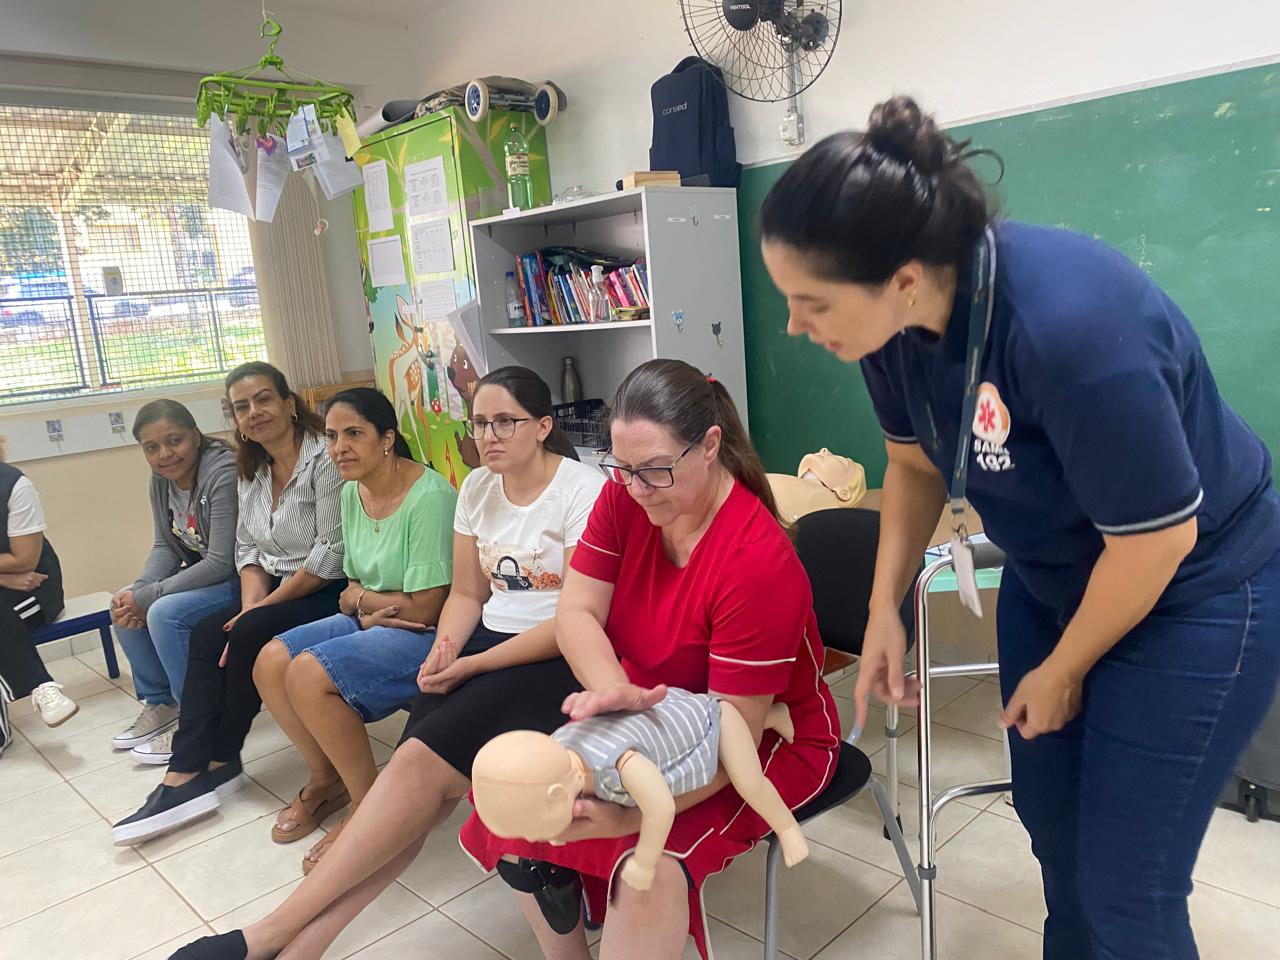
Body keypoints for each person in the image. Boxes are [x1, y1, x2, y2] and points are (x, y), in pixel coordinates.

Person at [758, 95, 1280, 960]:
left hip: (1197, 592)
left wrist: (1067, 667)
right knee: (1055, 834)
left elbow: (1156, 543)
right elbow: (916, 466)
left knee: (1128, 886)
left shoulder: (1072, 328)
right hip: (1057, 578)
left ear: (902, 277)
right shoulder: (890, 332)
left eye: (810, 302)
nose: (794, 325)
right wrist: (886, 608)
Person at [167, 365, 603, 960]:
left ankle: (268, 937)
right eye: (480, 422)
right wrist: (449, 648)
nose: (491, 435)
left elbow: (574, 619)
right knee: (410, 790)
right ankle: (296, 944)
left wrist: (472, 664)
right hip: (482, 648)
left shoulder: (583, 490)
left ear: (544, 425)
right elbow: (471, 597)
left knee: (416, 777)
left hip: (555, 659)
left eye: (507, 421)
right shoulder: (478, 487)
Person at [460, 359, 841, 960]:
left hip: (763, 735)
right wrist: (617, 696)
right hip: (654, 711)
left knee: (648, 865)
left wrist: (628, 815)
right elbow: (576, 613)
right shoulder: (625, 496)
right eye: (623, 469)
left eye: (656, 470)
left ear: (710, 446)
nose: (636, 488)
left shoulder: (755, 562)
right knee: (516, 812)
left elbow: (731, 738)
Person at [113, 361, 346, 845]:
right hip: (276, 584)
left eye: (263, 399)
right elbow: (247, 550)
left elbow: (331, 550)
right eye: (242, 407)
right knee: (207, 632)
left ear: (288, 402)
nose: (254, 413)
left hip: (327, 586)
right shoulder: (252, 466)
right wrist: (250, 603)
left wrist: (257, 612)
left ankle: (212, 760)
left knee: (243, 633)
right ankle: (192, 766)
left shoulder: (324, 456)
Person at [254, 387, 455, 870]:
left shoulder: (429, 497)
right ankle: (326, 779)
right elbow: (352, 583)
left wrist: (361, 602)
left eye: (353, 434)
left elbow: (427, 608)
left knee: (307, 672)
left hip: (424, 634)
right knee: (270, 660)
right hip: (372, 618)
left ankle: (370, 810)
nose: (339, 447)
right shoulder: (351, 491)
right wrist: (364, 606)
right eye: (330, 436)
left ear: (387, 439)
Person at [111, 400, 240, 760]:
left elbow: (220, 561)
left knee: (163, 612)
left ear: (195, 436)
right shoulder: (161, 480)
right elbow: (164, 546)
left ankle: (200, 722)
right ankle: (162, 702)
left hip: (244, 577)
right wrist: (139, 591)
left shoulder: (223, 472)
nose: (164, 454)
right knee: (123, 601)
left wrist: (150, 596)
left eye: (174, 441)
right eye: (151, 448)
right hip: (207, 575)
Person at [0, 435, 77, 756]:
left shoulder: (15, 486)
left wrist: (8, 574)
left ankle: (38, 685)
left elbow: (25, 561)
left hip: (34, 588)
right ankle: (38, 682)